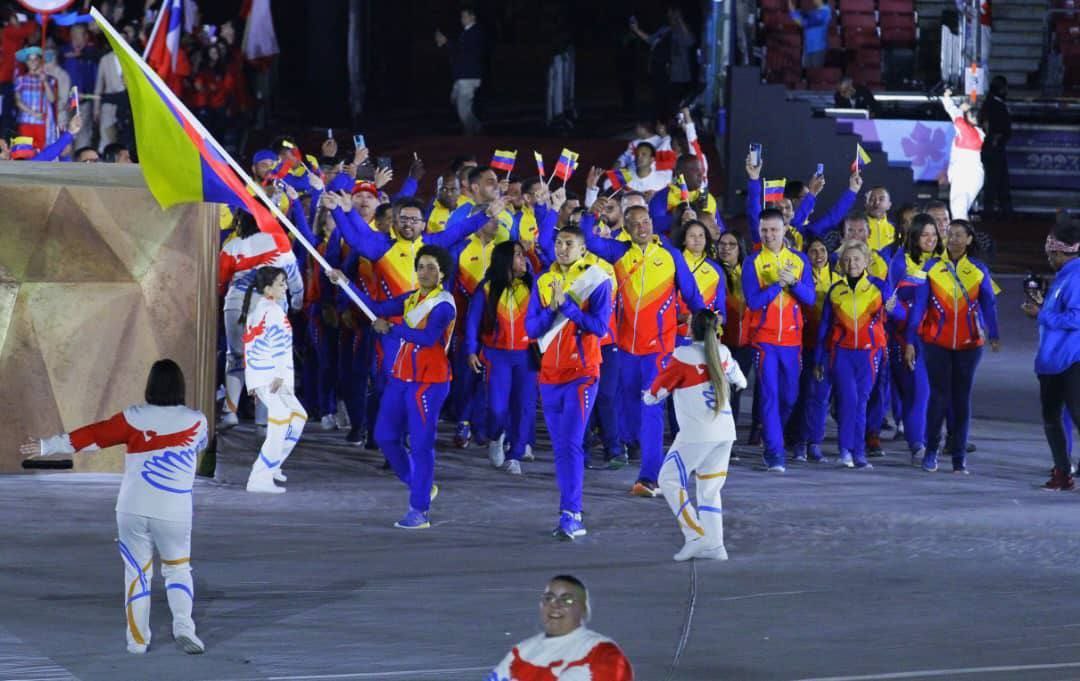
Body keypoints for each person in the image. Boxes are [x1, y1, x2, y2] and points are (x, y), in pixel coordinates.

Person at [20, 359, 209, 655]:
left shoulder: (133, 417)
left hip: (132, 508)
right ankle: (184, 629)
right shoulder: (197, 420)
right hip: (174, 511)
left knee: (137, 573)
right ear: (180, 386)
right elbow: (200, 445)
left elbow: (94, 435)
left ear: (150, 386)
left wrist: (47, 445)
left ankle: (137, 642)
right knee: (178, 570)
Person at [330, 245, 457, 530]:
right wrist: (345, 283)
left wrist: (392, 329)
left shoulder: (444, 305)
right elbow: (376, 308)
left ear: (443, 274)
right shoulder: (412, 298)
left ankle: (419, 510)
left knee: (421, 445)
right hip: (401, 378)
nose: (424, 272)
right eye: (421, 266)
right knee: (385, 437)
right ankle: (420, 485)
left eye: (431, 268)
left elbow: (428, 338)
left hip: (429, 383)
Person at [584, 205, 704, 497]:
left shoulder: (670, 255)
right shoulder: (619, 252)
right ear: (626, 228)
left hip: (659, 349)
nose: (642, 227)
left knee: (652, 407)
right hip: (625, 348)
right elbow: (587, 239)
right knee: (626, 406)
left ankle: (650, 476)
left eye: (646, 221)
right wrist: (593, 211)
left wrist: (706, 318)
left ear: (652, 223)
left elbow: (691, 294)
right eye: (635, 223)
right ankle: (632, 442)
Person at [525, 227, 612, 539]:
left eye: (569, 244)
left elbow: (600, 327)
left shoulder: (597, 279)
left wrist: (568, 308)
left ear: (583, 249)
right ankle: (568, 510)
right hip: (549, 375)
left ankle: (571, 513)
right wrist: (551, 309)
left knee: (572, 442)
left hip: (582, 374)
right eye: (559, 243)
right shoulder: (543, 280)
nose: (563, 248)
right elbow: (531, 328)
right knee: (561, 446)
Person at [644, 309, 746, 561]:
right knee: (709, 491)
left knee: (668, 480)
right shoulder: (723, 353)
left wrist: (647, 395)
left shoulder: (683, 355)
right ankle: (716, 546)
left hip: (697, 433)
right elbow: (741, 381)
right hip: (725, 431)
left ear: (691, 329)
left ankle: (695, 536)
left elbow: (655, 395)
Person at [904, 219, 999, 473]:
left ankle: (959, 457)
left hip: (970, 345)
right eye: (950, 234)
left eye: (959, 235)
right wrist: (910, 339)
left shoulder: (979, 269)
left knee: (961, 399)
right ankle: (931, 451)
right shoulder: (931, 267)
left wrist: (994, 333)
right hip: (936, 343)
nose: (953, 239)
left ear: (969, 239)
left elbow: (989, 303)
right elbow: (919, 306)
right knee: (938, 397)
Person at [218, 206, 305, 428]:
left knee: (235, 358)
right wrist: (297, 302)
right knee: (267, 362)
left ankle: (230, 412)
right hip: (271, 307)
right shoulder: (280, 241)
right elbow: (294, 277)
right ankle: (263, 421)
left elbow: (219, 281)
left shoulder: (232, 246)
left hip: (236, 304)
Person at [743, 209, 816, 472]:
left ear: (785, 230)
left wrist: (793, 283)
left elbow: (810, 298)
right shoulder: (752, 262)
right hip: (764, 340)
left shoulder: (799, 260)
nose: (769, 235)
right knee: (770, 396)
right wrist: (777, 285)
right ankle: (775, 452)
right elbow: (753, 301)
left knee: (789, 397)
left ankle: (771, 433)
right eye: (764, 230)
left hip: (792, 341)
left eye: (774, 229)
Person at [815, 241, 890, 468]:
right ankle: (845, 450)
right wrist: (819, 358)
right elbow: (825, 326)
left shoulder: (879, 287)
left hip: (869, 353)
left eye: (857, 259)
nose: (852, 264)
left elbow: (896, 312)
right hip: (842, 354)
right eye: (846, 260)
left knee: (862, 401)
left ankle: (859, 453)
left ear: (866, 261)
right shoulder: (835, 290)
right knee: (848, 400)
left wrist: (895, 308)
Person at [465, 240, 537, 474]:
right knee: (497, 408)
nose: (523, 259)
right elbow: (473, 321)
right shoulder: (486, 288)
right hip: (496, 356)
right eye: (518, 255)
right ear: (505, 260)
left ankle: (515, 454)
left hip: (526, 356)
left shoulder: (532, 286)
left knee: (523, 407)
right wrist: (471, 350)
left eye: (523, 255)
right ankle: (496, 437)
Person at [487, 575, 633, 680]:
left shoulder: (603, 653)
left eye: (567, 600)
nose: (555, 605)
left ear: (583, 609)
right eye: (549, 598)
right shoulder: (521, 652)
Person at [240, 267, 307, 493]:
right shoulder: (272, 311)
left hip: (266, 377)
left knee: (298, 417)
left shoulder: (261, 310)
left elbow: (249, 346)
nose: (285, 287)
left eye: (285, 282)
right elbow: (277, 345)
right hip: (272, 378)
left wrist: (252, 381)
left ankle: (273, 464)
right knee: (280, 426)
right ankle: (260, 478)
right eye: (281, 283)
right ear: (268, 289)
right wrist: (277, 375)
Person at [1023, 220, 1080, 490]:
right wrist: (1042, 306)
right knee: (1051, 419)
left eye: (1050, 253)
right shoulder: (1064, 276)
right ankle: (1062, 473)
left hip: (1072, 360)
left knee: (1075, 417)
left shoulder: (1076, 277)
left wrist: (1041, 314)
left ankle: (1063, 472)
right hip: (1052, 360)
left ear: (1060, 251)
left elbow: (1077, 317)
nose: (1048, 257)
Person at [886, 215, 940, 464]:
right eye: (924, 235)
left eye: (934, 234)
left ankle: (930, 440)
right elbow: (893, 301)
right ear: (914, 236)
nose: (930, 239)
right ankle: (917, 444)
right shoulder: (900, 262)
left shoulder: (941, 260)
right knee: (918, 391)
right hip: (907, 336)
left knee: (932, 392)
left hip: (936, 337)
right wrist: (907, 333)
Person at [793, 236, 841, 463]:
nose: (819, 255)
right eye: (813, 251)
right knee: (803, 395)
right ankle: (799, 442)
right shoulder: (800, 278)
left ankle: (814, 443)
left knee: (821, 397)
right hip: (804, 344)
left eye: (822, 250)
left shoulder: (838, 279)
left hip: (829, 346)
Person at [434, 5, 485, 135]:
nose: (462, 19)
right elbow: (458, 51)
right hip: (462, 75)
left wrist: (446, 41)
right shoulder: (467, 33)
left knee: (463, 109)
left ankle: (470, 134)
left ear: (473, 17)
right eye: (461, 17)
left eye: (464, 16)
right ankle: (476, 127)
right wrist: (445, 43)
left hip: (468, 76)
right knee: (456, 101)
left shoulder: (475, 32)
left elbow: (462, 50)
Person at [941, 88, 985, 221]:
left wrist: (949, 99)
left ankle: (962, 233)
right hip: (971, 174)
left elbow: (955, 113)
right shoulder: (979, 133)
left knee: (958, 212)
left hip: (965, 174)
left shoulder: (966, 130)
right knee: (959, 212)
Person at [980, 75, 1012, 218]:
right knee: (994, 180)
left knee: (999, 179)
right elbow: (988, 126)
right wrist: (993, 138)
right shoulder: (994, 105)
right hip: (993, 147)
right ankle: (991, 210)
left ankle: (1003, 209)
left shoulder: (992, 103)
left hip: (995, 146)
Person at [13, 46, 57, 150]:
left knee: (41, 151)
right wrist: (34, 114)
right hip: (25, 122)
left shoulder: (49, 79)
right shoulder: (21, 80)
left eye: (35, 59)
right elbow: (18, 101)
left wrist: (44, 81)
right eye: (29, 59)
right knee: (25, 151)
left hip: (43, 123)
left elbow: (52, 99)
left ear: (40, 61)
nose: (32, 62)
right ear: (26, 62)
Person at [789, 0, 831, 69]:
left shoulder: (826, 11)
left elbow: (804, 22)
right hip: (807, 48)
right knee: (806, 72)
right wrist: (791, 6)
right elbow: (801, 18)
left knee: (816, 73)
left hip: (818, 49)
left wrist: (795, 14)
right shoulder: (815, 11)